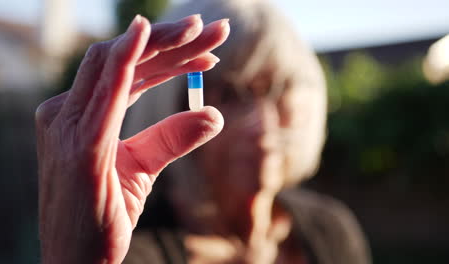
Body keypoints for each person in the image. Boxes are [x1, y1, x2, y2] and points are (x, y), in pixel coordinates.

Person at [36, 0, 371, 263]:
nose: (261, 120)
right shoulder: (134, 250)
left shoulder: (331, 229)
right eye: (230, 93)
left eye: (277, 88)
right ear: (172, 107)